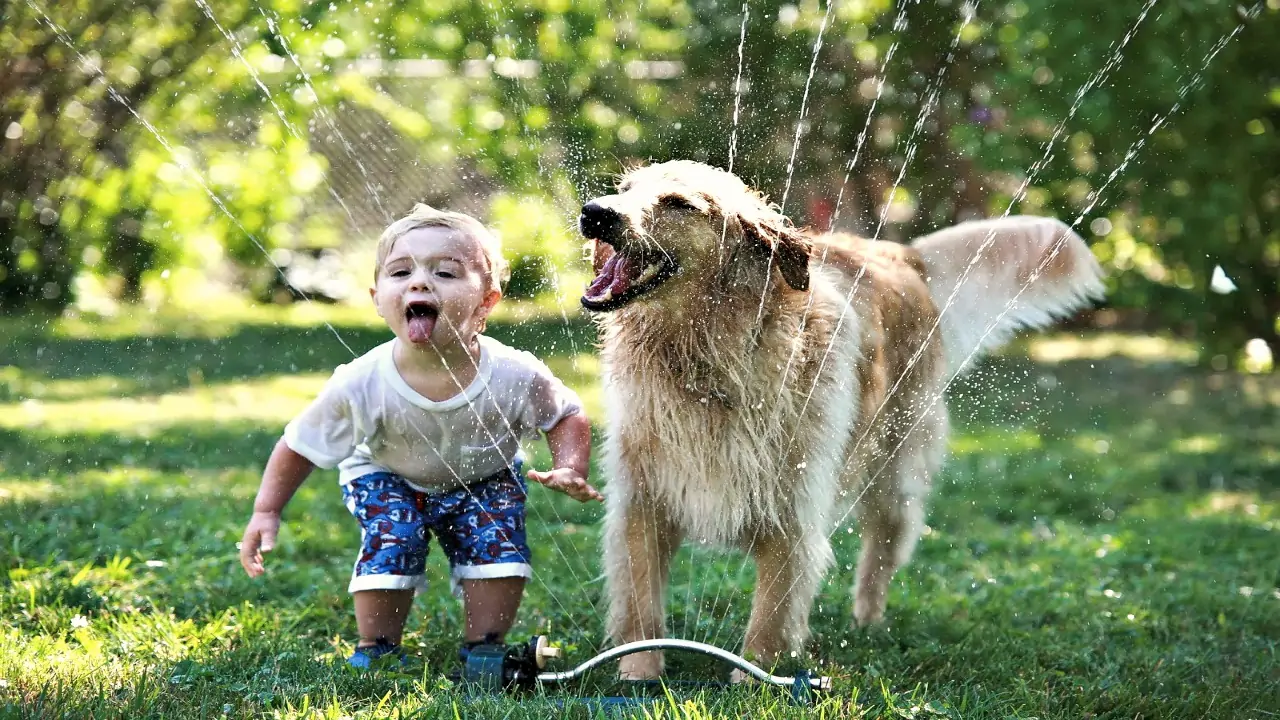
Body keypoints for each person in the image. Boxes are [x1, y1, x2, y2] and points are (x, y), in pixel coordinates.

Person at [238, 204, 601, 668]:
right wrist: (266, 510)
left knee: (500, 549)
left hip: (485, 476)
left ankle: (483, 648)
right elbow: (299, 444)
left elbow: (565, 414)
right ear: (377, 296)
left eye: (445, 272)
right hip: (387, 473)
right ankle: (378, 647)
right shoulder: (361, 381)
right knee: (397, 536)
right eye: (401, 271)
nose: (419, 281)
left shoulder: (514, 372)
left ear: (487, 300)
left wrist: (571, 466)